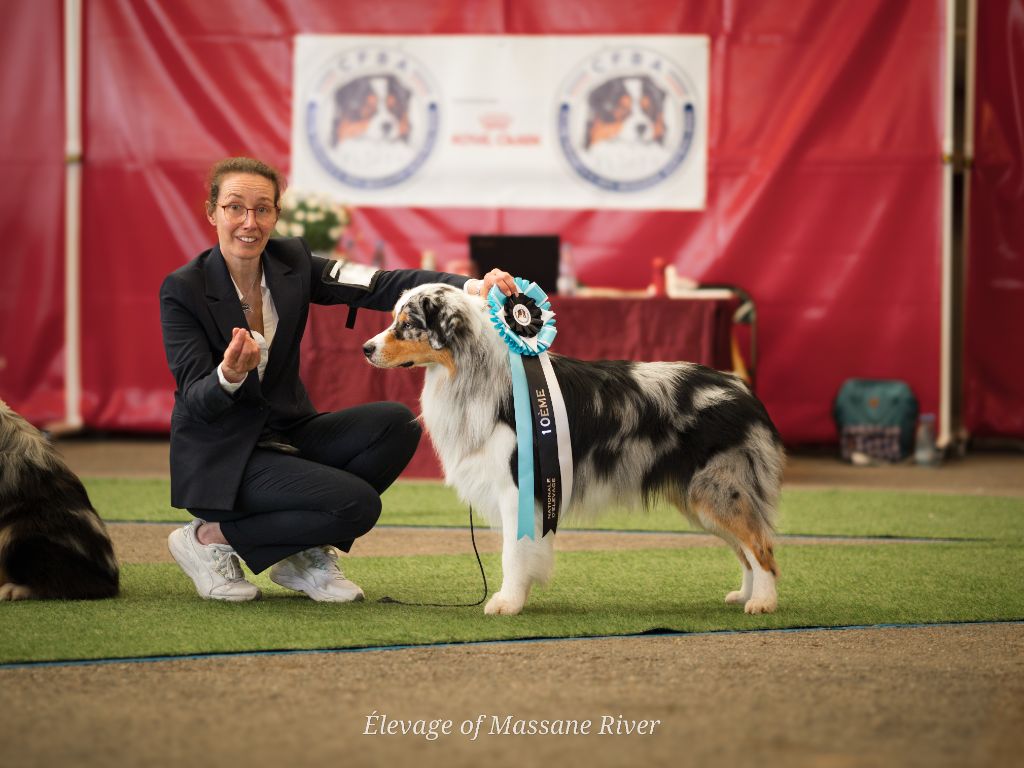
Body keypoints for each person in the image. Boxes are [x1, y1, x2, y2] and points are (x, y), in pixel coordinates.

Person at [160, 157, 516, 602]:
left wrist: (470, 286)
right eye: (235, 207)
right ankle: (211, 538)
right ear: (212, 212)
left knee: (395, 424)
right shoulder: (183, 289)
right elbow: (196, 399)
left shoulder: (291, 263)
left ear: (275, 215)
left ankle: (299, 551)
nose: (249, 222)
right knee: (357, 505)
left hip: (285, 433)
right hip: (222, 454)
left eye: (262, 209)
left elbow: (384, 282)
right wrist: (228, 375)